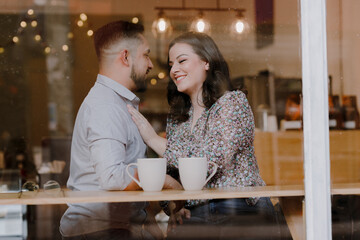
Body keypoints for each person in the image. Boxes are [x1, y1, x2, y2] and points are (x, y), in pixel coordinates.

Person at [128, 32, 291, 239]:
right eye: (171, 64)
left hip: (240, 210)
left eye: (182, 60)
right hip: (194, 215)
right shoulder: (177, 116)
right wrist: (172, 206)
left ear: (206, 62)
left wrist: (153, 140)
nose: (174, 70)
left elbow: (212, 157)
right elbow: (170, 171)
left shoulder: (232, 102)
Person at [60, 20, 182, 240]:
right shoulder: (106, 107)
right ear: (125, 57)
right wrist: (165, 180)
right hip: (100, 232)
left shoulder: (116, 103)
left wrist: (147, 219)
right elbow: (113, 178)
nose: (151, 64)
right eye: (146, 55)